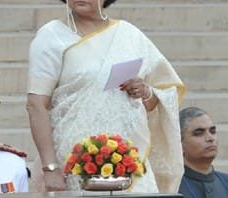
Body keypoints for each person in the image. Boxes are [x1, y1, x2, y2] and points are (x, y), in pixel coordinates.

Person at [26, 0, 186, 193]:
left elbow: (160, 95)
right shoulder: (52, 35)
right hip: (74, 162)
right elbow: (36, 104)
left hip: (129, 160)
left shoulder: (130, 35)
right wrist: (50, 167)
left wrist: (145, 91)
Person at [177, 107, 228, 198]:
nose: (210, 138)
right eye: (199, 133)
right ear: (179, 143)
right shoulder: (169, 188)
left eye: (212, 131)